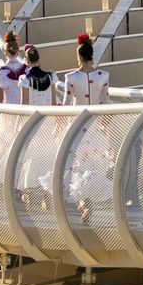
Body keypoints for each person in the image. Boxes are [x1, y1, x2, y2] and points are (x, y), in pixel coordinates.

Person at [58, 34, 111, 222]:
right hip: (96, 127)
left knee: (78, 167)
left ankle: (84, 204)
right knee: (94, 166)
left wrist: (58, 122)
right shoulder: (103, 76)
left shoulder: (70, 77)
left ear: (79, 56)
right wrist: (107, 124)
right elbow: (106, 102)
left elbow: (65, 104)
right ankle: (88, 202)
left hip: (77, 126)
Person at [0, 32, 27, 104]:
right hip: (25, 111)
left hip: (9, 111)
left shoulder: (1, 72)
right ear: (17, 50)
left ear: (5, 52)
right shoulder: (27, 69)